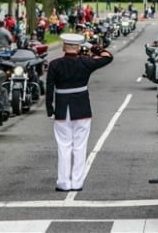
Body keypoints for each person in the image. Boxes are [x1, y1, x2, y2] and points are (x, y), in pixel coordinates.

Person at [46, 33, 113, 192]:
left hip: (62, 109)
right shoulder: (86, 62)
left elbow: (49, 89)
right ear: (78, 47)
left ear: (63, 47)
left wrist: (50, 109)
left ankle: (63, 182)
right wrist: (91, 46)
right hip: (82, 108)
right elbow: (108, 56)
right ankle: (77, 182)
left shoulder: (55, 65)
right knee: (80, 146)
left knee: (64, 146)